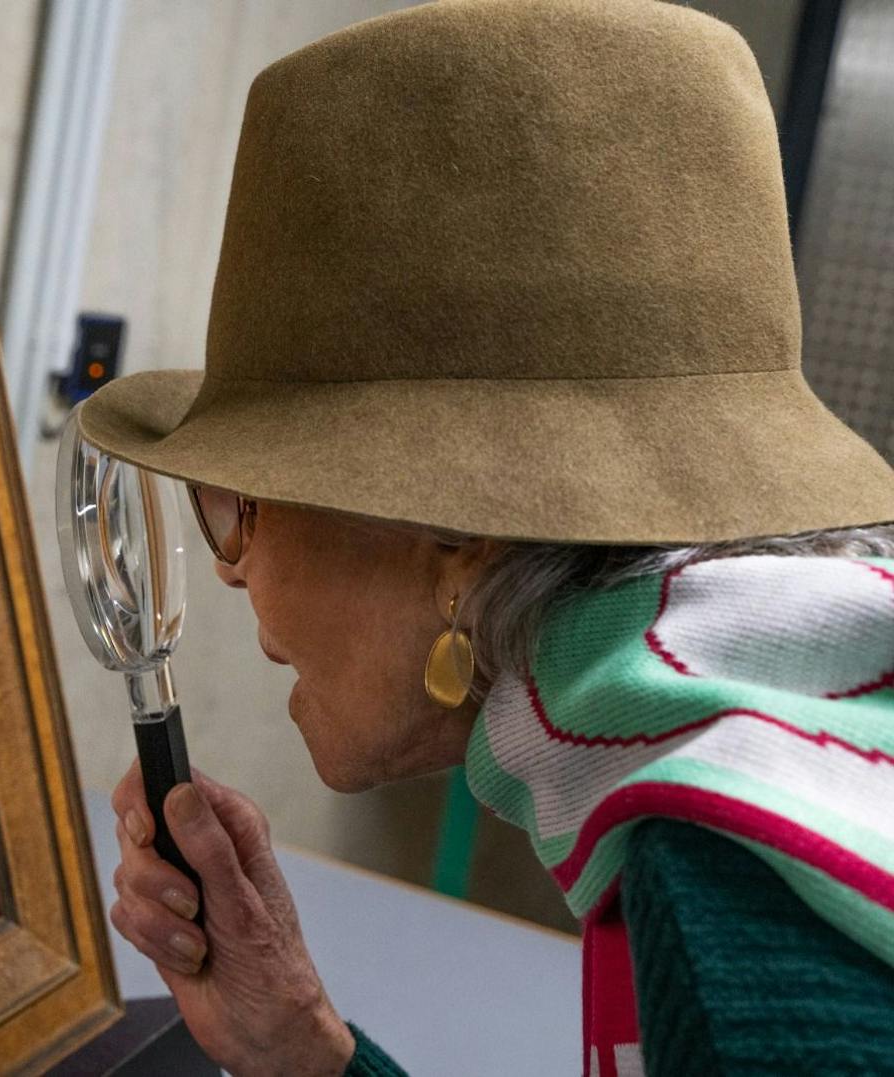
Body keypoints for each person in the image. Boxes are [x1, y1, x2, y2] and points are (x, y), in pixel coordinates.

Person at [74, 1, 894, 1074]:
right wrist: (307, 1051)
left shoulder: (740, 907)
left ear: (452, 537)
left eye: (241, 502)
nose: (232, 571)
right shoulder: (791, 743)